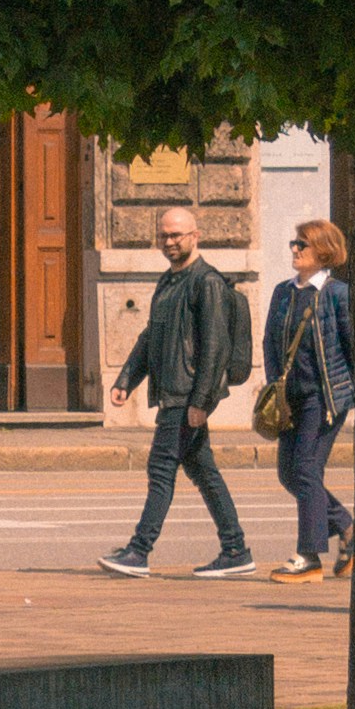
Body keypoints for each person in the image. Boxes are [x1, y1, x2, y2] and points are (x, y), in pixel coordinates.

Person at [100, 206, 256, 580]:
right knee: (203, 471)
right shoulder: (168, 282)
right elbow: (151, 337)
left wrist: (201, 402)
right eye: (164, 235)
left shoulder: (207, 283)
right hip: (173, 392)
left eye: (177, 235)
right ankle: (235, 549)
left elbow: (216, 348)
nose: (170, 242)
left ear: (195, 236)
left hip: (186, 396)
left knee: (161, 469)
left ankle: (139, 551)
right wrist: (126, 379)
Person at [263, 219, 355, 579]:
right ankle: (348, 527)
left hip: (325, 396)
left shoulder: (336, 294)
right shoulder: (282, 292)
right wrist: (276, 388)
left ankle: (309, 556)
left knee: (306, 469)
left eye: (303, 244)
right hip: (291, 398)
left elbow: (352, 347)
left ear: (324, 251)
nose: (296, 250)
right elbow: (271, 344)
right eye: (294, 244)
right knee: (290, 474)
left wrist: (350, 394)